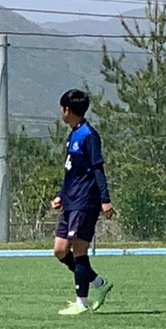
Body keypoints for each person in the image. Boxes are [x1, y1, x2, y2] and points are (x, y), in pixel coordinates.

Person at [53, 89, 115, 314]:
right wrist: (61, 195)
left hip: (85, 201)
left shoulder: (89, 135)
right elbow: (72, 172)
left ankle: (82, 303)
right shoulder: (74, 134)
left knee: (79, 251)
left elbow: (98, 169)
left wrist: (105, 200)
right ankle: (99, 283)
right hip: (71, 201)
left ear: (67, 110)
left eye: (62, 109)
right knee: (60, 250)